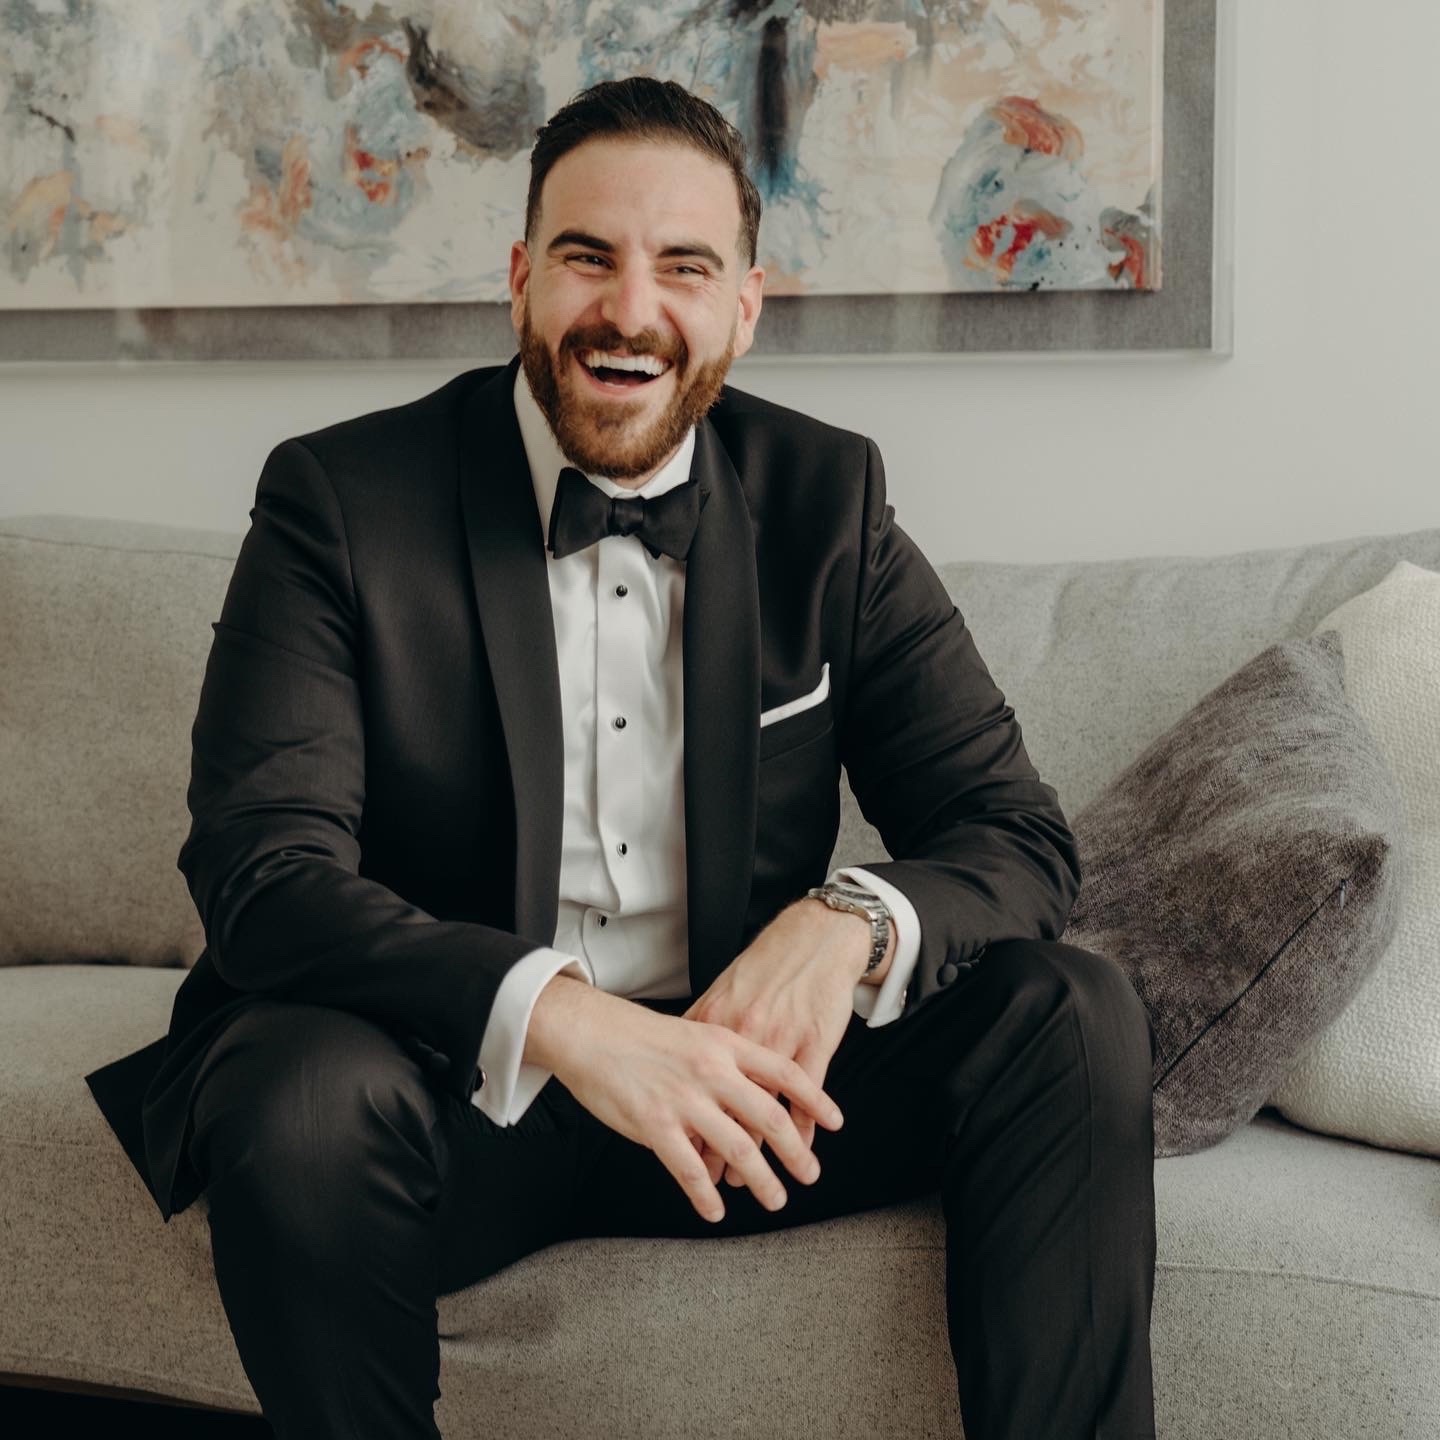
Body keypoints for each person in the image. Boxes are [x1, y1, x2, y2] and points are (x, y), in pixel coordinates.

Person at [86, 76, 1157, 1440]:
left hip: (741, 1097)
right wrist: (566, 1019)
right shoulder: (339, 501)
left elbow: (1013, 834)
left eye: (685, 268)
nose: (630, 311)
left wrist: (847, 922)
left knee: (1070, 1008)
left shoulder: (832, 502)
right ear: (522, 281)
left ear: (745, 307)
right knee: (293, 1094)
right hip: (455, 1091)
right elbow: (263, 872)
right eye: (588, 257)